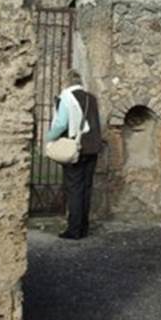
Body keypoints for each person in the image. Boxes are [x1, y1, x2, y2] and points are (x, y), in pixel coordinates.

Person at [45, 68, 102, 240]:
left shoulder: (66, 98)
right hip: (93, 147)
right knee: (86, 188)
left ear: (66, 82)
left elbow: (61, 124)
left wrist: (48, 138)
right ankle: (84, 227)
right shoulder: (91, 98)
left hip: (75, 148)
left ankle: (74, 230)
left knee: (74, 189)